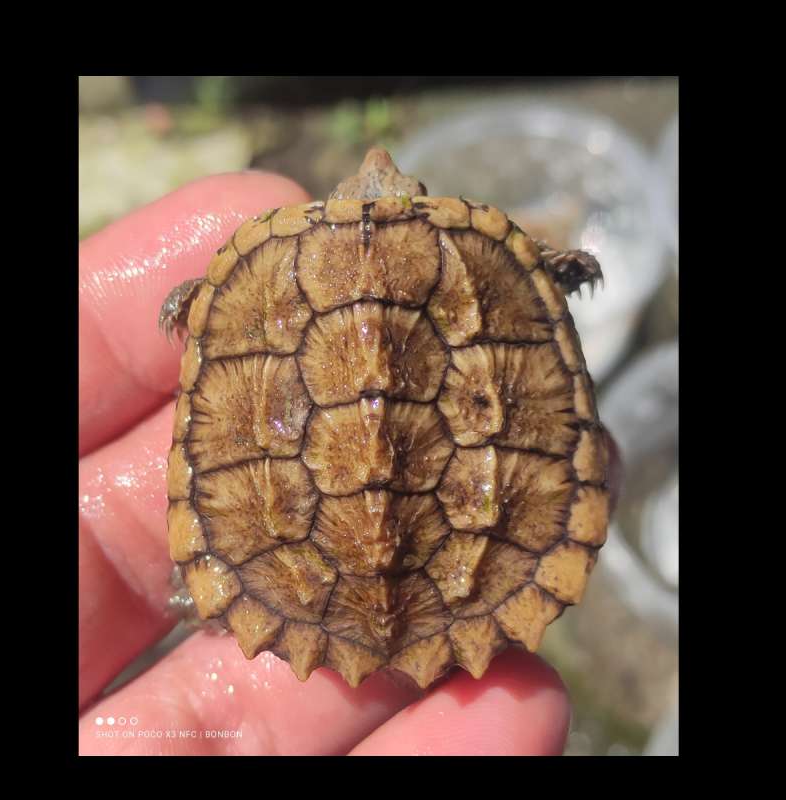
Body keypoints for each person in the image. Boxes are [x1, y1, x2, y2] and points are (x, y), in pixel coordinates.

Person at [79, 170, 617, 756]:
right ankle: (224, 586)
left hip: (299, 586)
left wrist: (204, 299)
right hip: (478, 572)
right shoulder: (490, 254)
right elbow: (532, 291)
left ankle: (218, 588)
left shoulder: (253, 266)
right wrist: (550, 270)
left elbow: (211, 323)